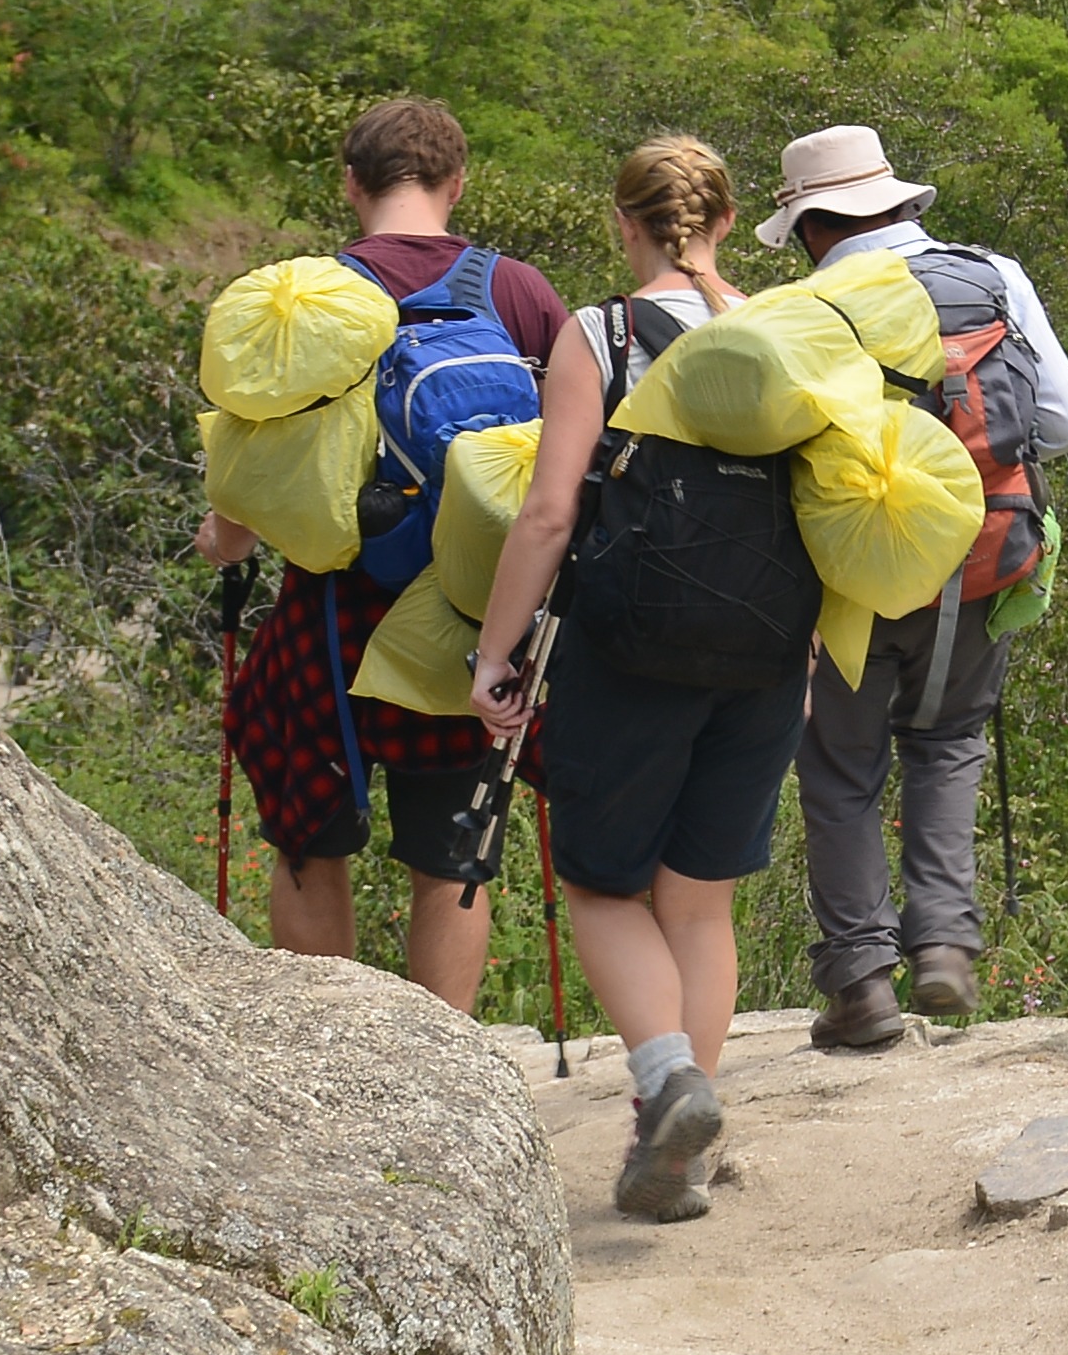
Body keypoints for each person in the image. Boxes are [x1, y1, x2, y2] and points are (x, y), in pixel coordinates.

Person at [468, 131, 769, 1221]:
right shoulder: (784, 335)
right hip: (769, 654)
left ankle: (666, 1082)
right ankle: (676, 1153)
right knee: (700, 903)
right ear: (727, 221)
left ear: (624, 223)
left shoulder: (600, 333)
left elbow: (550, 511)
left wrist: (496, 656)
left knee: (601, 881)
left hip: (629, 646)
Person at [209, 96, 560, 1016]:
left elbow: (248, 484)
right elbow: (563, 464)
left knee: (306, 834)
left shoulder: (310, 296)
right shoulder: (516, 291)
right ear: (457, 183)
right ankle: (445, 1067)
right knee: (453, 851)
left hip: (327, 611)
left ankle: (338, 1060)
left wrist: (225, 543)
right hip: (468, 612)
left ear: (351, 184)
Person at [764, 121, 1068, 1054]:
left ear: (814, 225)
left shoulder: (809, 305)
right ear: (898, 199)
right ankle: (944, 944)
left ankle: (861, 982)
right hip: (985, 559)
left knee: (840, 768)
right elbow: (1064, 420)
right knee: (947, 741)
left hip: (858, 580)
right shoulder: (992, 275)